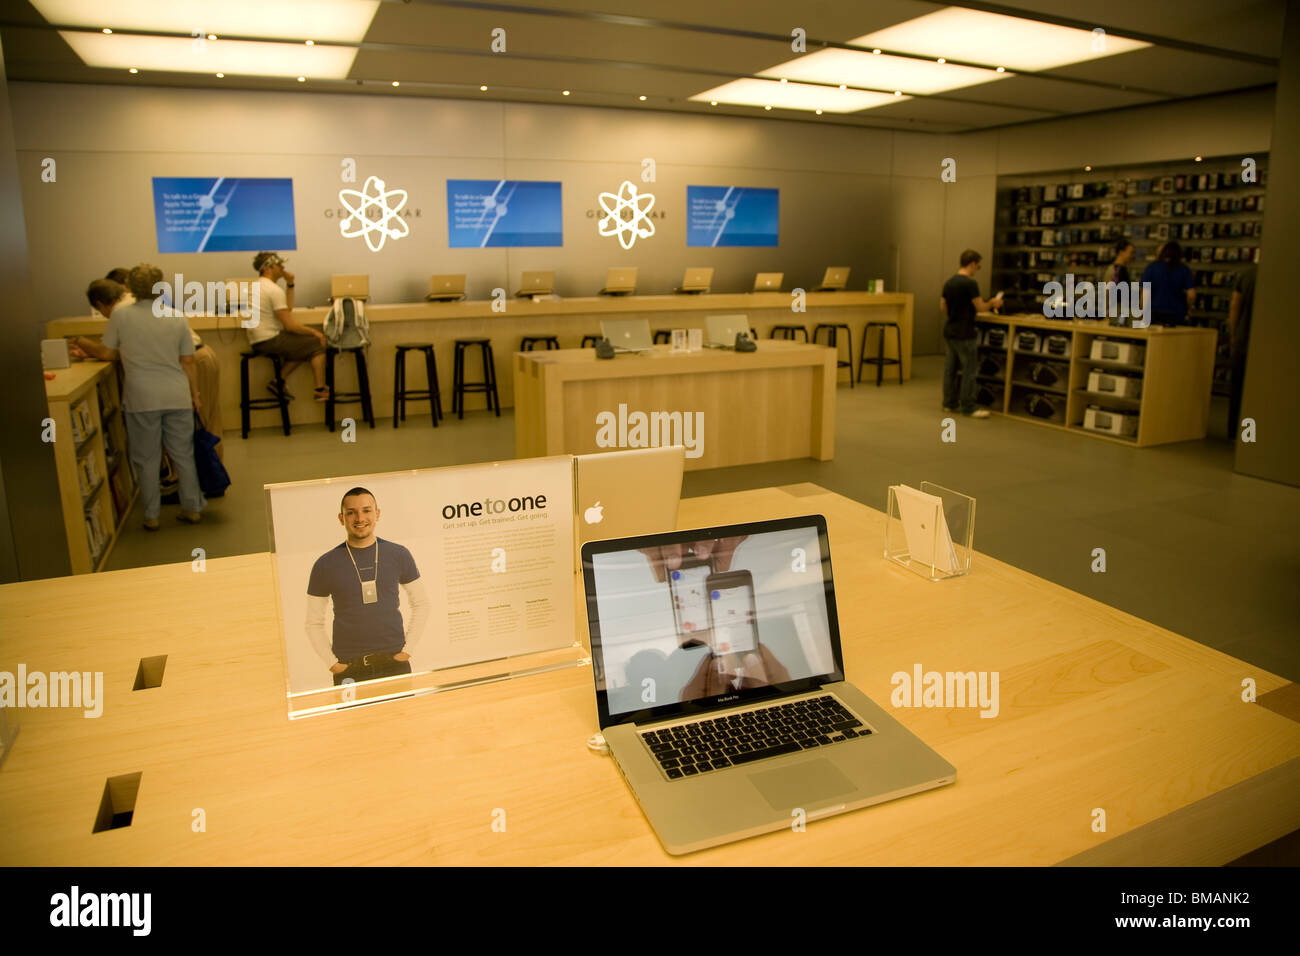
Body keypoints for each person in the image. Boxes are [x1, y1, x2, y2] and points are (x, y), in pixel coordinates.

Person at [71, 264, 205, 530]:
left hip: (141, 397)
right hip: (176, 394)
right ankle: (192, 508)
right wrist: (195, 395)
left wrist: (83, 343)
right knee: (183, 455)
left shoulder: (121, 317)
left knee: (146, 458)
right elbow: (188, 361)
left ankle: (151, 515)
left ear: (129, 287)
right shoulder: (176, 317)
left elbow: (108, 354)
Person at [306, 487, 431, 686]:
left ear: (377, 514)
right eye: (351, 512)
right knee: (352, 719)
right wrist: (333, 664)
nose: (359, 518)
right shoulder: (324, 564)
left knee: (401, 717)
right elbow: (313, 622)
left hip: (395, 664)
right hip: (349, 669)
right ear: (341, 518)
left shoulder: (398, 554)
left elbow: (422, 603)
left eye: (366, 510)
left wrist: (408, 650)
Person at [246, 251, 329, 402]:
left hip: (257, 340)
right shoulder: (272, 289)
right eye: (279, 265)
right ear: (268, 268)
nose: (283, 267)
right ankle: (320, 389)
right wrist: (316, 333)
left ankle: (278, 382)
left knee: (302, 346)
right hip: (269, 339)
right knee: (316, 343)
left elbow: (287, 309)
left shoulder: (256, 286)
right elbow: (290, 325)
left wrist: (290, 284)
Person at [940, 250, 1003, 419]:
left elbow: (943, 306)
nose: (977, 269)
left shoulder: (949, 283)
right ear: (972, 264)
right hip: (965, 332)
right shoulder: (970, 284)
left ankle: (949, 403)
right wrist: (993, 302)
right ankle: (968, 406)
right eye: (978, 266)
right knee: (969, 370)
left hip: (950, 330)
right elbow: (981, 307)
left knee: (950, 369)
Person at [1227, 263, 1257, 437]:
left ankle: (1234, 431)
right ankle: (1250, 435)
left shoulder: (1247, 274)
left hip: (1243, 340)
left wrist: (1233, 333)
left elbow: (1235, 306)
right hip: (1265, 346)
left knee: (1238, 390)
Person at [1140, 241, 1196, 327]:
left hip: (1154, 313)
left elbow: (1144, 294)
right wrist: (1189, 307)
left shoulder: (1151, 268)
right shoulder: (1184, 269)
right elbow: (1191, 295)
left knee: (1154, 339)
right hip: (1176, 314)